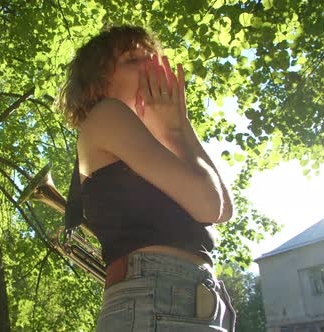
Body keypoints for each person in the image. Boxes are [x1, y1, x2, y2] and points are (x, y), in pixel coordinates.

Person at [60, 25, 237, 331]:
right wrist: (175, 130)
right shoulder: (106, 114)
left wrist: (180, 126)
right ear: (98, 83)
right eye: (132, 59)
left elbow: (223, 210)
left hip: (178, 296)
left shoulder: (146, 139)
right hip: (157, 296)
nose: (150, 65)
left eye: (152, 57)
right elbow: (209, 206)